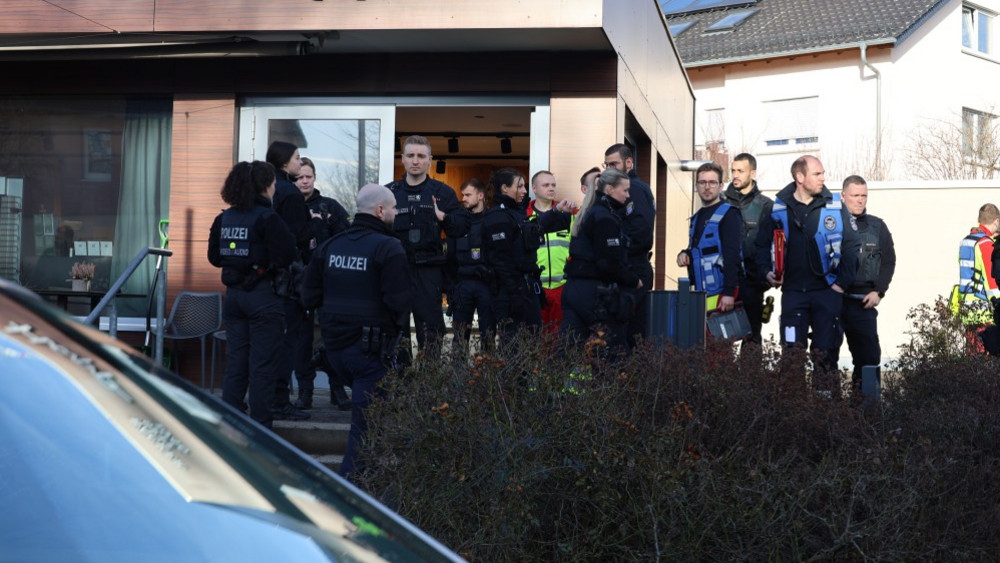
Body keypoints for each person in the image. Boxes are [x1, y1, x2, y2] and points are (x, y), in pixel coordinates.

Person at [301, 183, 412, 478]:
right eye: (393, 208)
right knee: (364, 429)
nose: (396, 212)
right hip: (370, 355)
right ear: (379, 211)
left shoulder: (331, 245)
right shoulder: (389, 247)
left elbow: (309, 296)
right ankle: (349, 493)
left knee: (368, 427)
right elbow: (398, 303)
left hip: (335, 352)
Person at [755, 155, 860, 392]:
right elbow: (760, 246)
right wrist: (766, 273)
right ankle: (794, 413)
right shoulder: (777, 208)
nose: (823, 178)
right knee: (792, 356)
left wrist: (841, 285)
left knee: (825, 356)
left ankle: (825, 414)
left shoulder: (834, 204)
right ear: (799, 177)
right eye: (817, 174)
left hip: (827, 293)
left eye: (822, 173)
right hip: (793, 295)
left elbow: (852, 245)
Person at [207, 161, 297, 429]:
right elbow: (287, 254)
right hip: (263, 298)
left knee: (236, 364)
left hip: (234, 298)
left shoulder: (223, 218)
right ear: (265, 186)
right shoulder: (268, 218)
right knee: (263, 367)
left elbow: (214, 257)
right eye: (272, 183)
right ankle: (260, 432)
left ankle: (231, 424)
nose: (275, 188)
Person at [387, 135, 470, 352]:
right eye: (411, 155)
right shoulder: (389, 193)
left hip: (429, 272)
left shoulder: (442, 193)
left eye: (421, 156)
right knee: (395, 331)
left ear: (429, 160)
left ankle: (427, 384)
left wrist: (445, 218)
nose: (416, 161)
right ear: (403, 159)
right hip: (396, 271)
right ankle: (400, 383)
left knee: (431, 332)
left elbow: (462, 227)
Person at [482, 167, 575, 341]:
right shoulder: (497, 217)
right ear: (504, 188)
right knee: (514, 344)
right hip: (510, 293)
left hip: (527, 288)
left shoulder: (516, 213)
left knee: (533, 339)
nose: (524, 191)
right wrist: (516, 293)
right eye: (520, 187)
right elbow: (501, 262)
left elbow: (534, 229)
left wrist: (556, 212)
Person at [266, 140, 323, 421]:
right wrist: (314, 222)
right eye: (297, 158)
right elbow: (296, 236)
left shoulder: (266, 188)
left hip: (266, 280)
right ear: (283, 162)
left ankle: (267, 399)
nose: (300, 163)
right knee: (290, 341)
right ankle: (280, 400)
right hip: (287, 280)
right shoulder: (288, 193)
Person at [562, 167, 643, 353]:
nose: (628, 195)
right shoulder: (605, 218)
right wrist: (633, 279)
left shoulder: (591, 212)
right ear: (609, 190)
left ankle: (556, 382)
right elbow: (608, 263)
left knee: (568, 350)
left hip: (574, 289)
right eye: (625, 190)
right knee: (611, 350)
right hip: (594, 292)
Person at [293, 156, 351, 409]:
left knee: (333, 338)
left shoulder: (330, 206)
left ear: (315, 178)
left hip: (329, 285)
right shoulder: (286, 207)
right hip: (296, 283)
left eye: (308, 176)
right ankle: (305, 392)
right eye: (299, 177)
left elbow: (345, 240)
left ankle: (337, 390)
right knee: (302, 340)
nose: (304, 181)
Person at [837, 175, 896, 395]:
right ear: (843, 196)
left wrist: (879, 291)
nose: (860, 200)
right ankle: (825, 410)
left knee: (869, 358)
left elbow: (889, 261)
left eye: (864, 196)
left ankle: (868, 410)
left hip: (863, 303)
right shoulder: (829, 225)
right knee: (825, 356)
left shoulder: (877, 226)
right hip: (834, 302)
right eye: (855, 196)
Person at [604, 144, 655, 348]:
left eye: (614, 164)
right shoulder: (623, 189)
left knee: (628, 335)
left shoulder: (633, 189)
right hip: (628, 268)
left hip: (633, 268)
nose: (609, 169)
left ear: (629, 163)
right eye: (606, 165)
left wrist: (616, 251)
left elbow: (640, 232)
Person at [677, 162, 742, 314]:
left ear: (720, 186)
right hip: (701, 292)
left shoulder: (729, 214)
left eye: (712, 182)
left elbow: (732, 255)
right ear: (696, 185)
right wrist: (684, 254)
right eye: (702, 182)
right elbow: (698, 249)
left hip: (721, 294)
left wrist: (728, 293)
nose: (707, 187)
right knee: (702, 337)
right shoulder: (697, 217)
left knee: (720, 336)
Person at [722, 153, 773, 344]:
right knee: (720, 340)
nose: (735, 175)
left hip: (753, 283)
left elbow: (773, 246)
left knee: (752, 339)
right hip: (723, 282)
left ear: (752, 173)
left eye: (740, 171)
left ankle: (750, 375)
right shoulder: (721, 202)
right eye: (733, 170)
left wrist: (766, 277)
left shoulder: (766, 206)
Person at [446, 178, 496, 353]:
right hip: (462, 284)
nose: (464, 198)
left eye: (468, 194)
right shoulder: (458, 223)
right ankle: (458, 378)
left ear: (480, 195)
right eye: (462, 195)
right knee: (459, 338)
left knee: (488, 335)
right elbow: (450, 258)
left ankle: (488, 378)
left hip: (486, 284)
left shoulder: (493, 220)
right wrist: (450, 286)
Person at [526, 170, 572, 332]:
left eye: (553, 185)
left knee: (560, 338)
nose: (551, 188)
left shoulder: (568, 215)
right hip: (536, 288)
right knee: (535, 337)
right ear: (534, 188)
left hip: (562, 288)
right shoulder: (525, 217)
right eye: (546, 185)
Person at [951, 203, 1000, 326]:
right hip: (983, 311)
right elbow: (991, 280)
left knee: (971, 345)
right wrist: (998, 303)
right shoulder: (986, 244)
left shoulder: (965, 242)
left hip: (966, 308)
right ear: (996, 221)